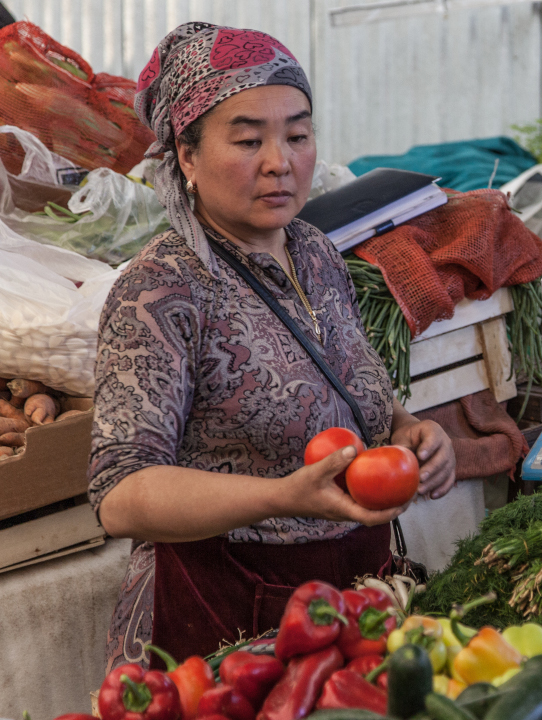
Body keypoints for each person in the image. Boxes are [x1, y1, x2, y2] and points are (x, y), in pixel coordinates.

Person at [89, 22, 456, 670]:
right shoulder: (160, 290)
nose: (279, 161)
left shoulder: (316, 252)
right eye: (249, 139)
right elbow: (121, 494)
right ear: (187, 157)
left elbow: (356, 399)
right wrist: (283, 495)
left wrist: (411, 433)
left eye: (297, 134)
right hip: (220, 621)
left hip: (349, 600)